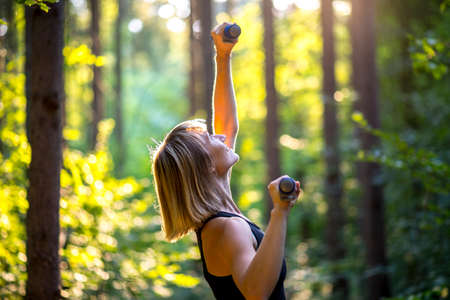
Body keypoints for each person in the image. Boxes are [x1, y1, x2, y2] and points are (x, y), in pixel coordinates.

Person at [151, 23, 301, 300]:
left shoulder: (219, 215)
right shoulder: (226, 227)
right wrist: (279, 212)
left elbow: (227, 124)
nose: (220, 135)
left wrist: (223, 56)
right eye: (211, 139)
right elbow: (256, 293)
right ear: (207, 166)